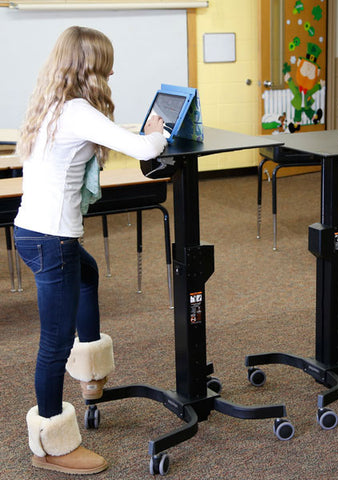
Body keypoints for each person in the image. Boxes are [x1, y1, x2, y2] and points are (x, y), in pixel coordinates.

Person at [14, 26, 167, 475]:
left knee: (88, 274)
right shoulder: (77, 110)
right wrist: (156, 131)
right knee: (53, 343)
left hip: (31, 232)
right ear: (89, 68)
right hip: (52, 241)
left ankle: (91, 374)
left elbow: (106, 134)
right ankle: (52, 445)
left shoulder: (54, 105)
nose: (113, 70)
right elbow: (143, 148)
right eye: (107, 63)